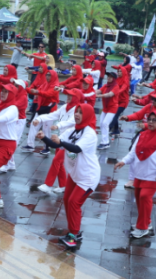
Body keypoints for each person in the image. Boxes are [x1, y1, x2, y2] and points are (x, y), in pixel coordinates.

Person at [37, 104, 100, 249]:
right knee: (67, 200)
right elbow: (56, 144)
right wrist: (44, 138)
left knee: (74, 202)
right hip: (75, 174)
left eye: (81, 112)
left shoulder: (90, 133)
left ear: (88, 116)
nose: (77, 114)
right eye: (76, 112)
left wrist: (61, 142)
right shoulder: (72, 131)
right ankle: (73, 232)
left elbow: (76, 148)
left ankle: (74, 236)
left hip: (88, 176)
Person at [116, 106, 156, 239]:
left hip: (153, 175)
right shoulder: (142, 134)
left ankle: (142, 228)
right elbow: (133, 153)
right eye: (150, 119)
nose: (151, 122)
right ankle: (146, 221)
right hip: (140, 173)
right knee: (139, 197)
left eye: (154, 120)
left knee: (144, 197)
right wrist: (123, 161)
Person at [34, 90, 83, 193]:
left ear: (76, 97)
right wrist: (40, 119)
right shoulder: (64, 107)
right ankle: (63, 185)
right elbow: (53, 115)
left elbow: (70, 122)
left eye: (71, 95)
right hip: (61, 138)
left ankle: (48, 185)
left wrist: (57, 125)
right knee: (59, 163)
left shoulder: (77, 110)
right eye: (68, 94)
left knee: (56, 160)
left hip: (70, 141)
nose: (68, 96)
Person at [96, 71, 119, 149]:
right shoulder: (106, 85)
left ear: (114, 78)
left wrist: (99, 96)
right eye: (108, 76)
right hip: (105, 108)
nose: (108, 78)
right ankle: (104, 141)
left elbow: (110, 94)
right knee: (102, 123)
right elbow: (98, 91)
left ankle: (105, 143)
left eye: (110, 77)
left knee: (105, 123)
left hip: (112, 108)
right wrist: (89, 92)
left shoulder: (116, 86)